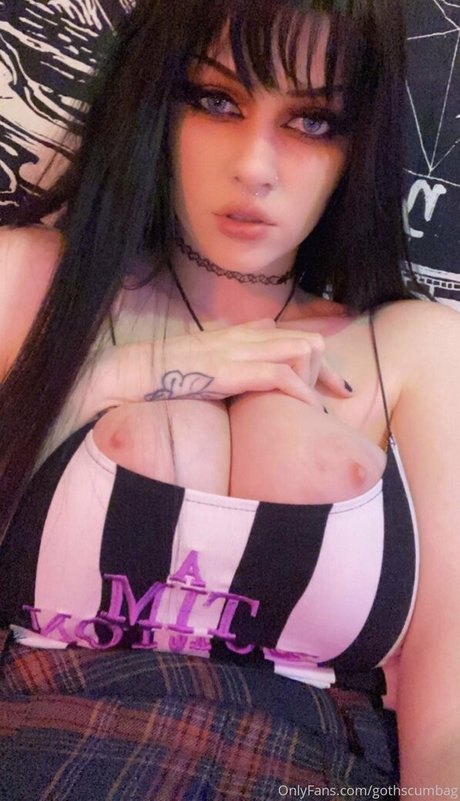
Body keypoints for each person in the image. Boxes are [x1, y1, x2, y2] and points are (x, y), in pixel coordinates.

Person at [0, 0, 459, 798]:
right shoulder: (30, 284)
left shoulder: (419, 350)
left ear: (359, 145)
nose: (255, 166)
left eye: (312, 121)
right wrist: (132, 374)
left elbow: (448, 723)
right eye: (217, 100)